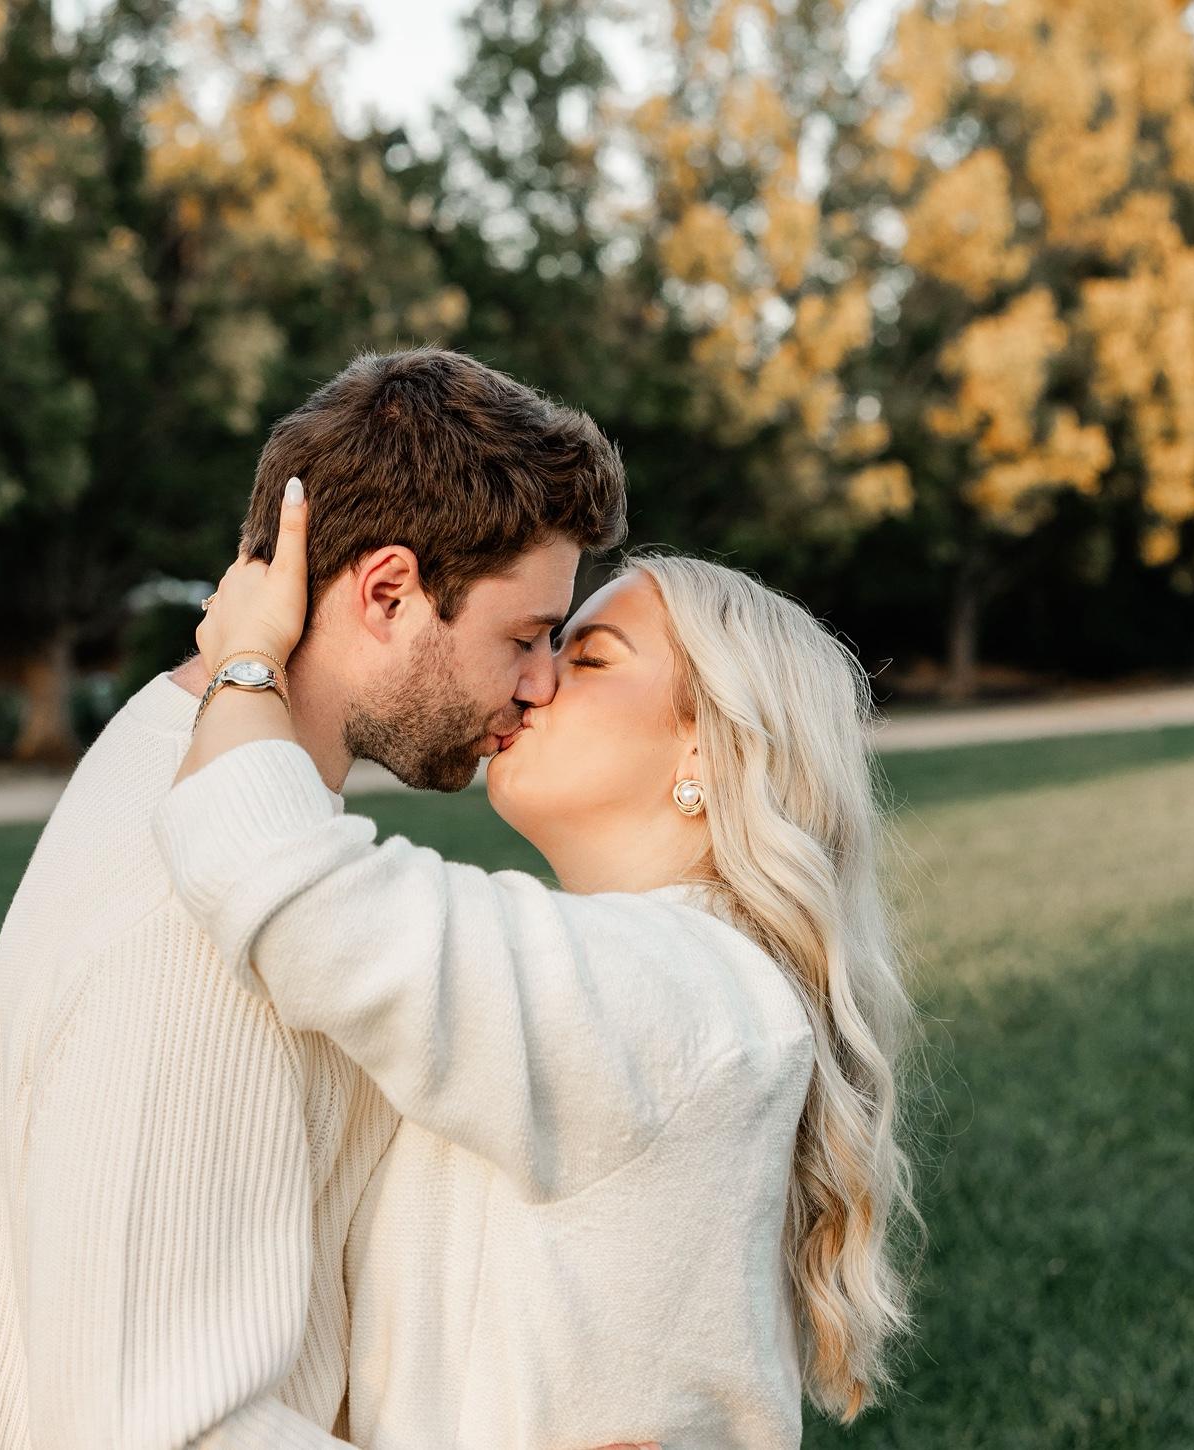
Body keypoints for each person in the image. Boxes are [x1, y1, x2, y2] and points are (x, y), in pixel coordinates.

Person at [0, 346, 649, 1449]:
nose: (541, 681)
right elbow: (162, 1431)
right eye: (524, 635)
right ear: (388, 593)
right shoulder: (195, 925)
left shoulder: (188, 766)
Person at [152, 479, 925, 1449]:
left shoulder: (679, 991)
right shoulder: (673, 980)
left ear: (709, 744)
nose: (533, 681)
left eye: (588, 657)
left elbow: (276, 875)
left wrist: (246, 660)